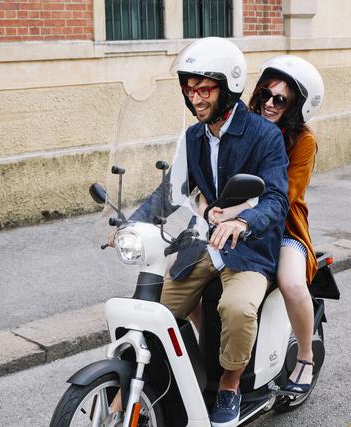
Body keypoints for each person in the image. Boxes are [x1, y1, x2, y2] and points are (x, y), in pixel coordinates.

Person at [124, 37, 289, 427]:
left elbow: (276, 198)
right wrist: (132, 224)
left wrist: (242, 222)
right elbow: (171, 191)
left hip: (247, 248)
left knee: (237, 308)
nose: (195, 98)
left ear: (229, 87)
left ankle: (229, 385)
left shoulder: (264, 136)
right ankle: (136, 389)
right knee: (149, 311)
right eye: (189, 89)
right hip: (202, 245)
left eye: (204, 89)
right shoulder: (193, 137)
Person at [206, 55, 325, 394]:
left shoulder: (304, 141)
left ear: (296, 106)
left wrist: (233, 213)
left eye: (281, 100)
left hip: (283, 229)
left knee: (291, 282)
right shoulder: (242, 126)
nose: (270, 104)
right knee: (189, 274)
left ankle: (304, 357)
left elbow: (286, 194)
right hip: (235, 223)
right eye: (265, 94)